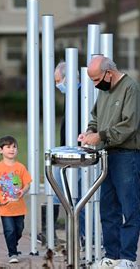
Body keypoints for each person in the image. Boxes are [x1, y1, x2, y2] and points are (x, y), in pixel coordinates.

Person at [78, 55, 140, 269]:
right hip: (108, 155)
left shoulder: (131, 89)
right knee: (108, 208)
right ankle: (112, 255)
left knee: (129, 207)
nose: (94, 84)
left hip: (129, 156)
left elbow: (129, 125)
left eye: (96, 79)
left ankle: (128, 258)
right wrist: (90, 132)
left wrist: (99, 136)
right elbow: (95, 117)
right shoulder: (104, 90)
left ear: (109, 73)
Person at [38, 61, 86, 248]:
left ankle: (81, 235)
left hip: (79, 152)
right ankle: (49, 232)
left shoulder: (82, 96)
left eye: (58, 81)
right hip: (68, 149)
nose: (57, 85)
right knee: (58, 191)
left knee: (74, 194)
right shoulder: (72, 96)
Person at [0, 136, 32, 264]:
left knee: (19, 229)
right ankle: (12, 252)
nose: (12, 149)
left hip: (19, 207)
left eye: (14, 147)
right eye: (8, 147)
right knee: (9, 230)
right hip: (4, 207)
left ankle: (13, 243)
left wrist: (23, 191)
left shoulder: (20, 167)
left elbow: (27, 183)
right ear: (0, 150)